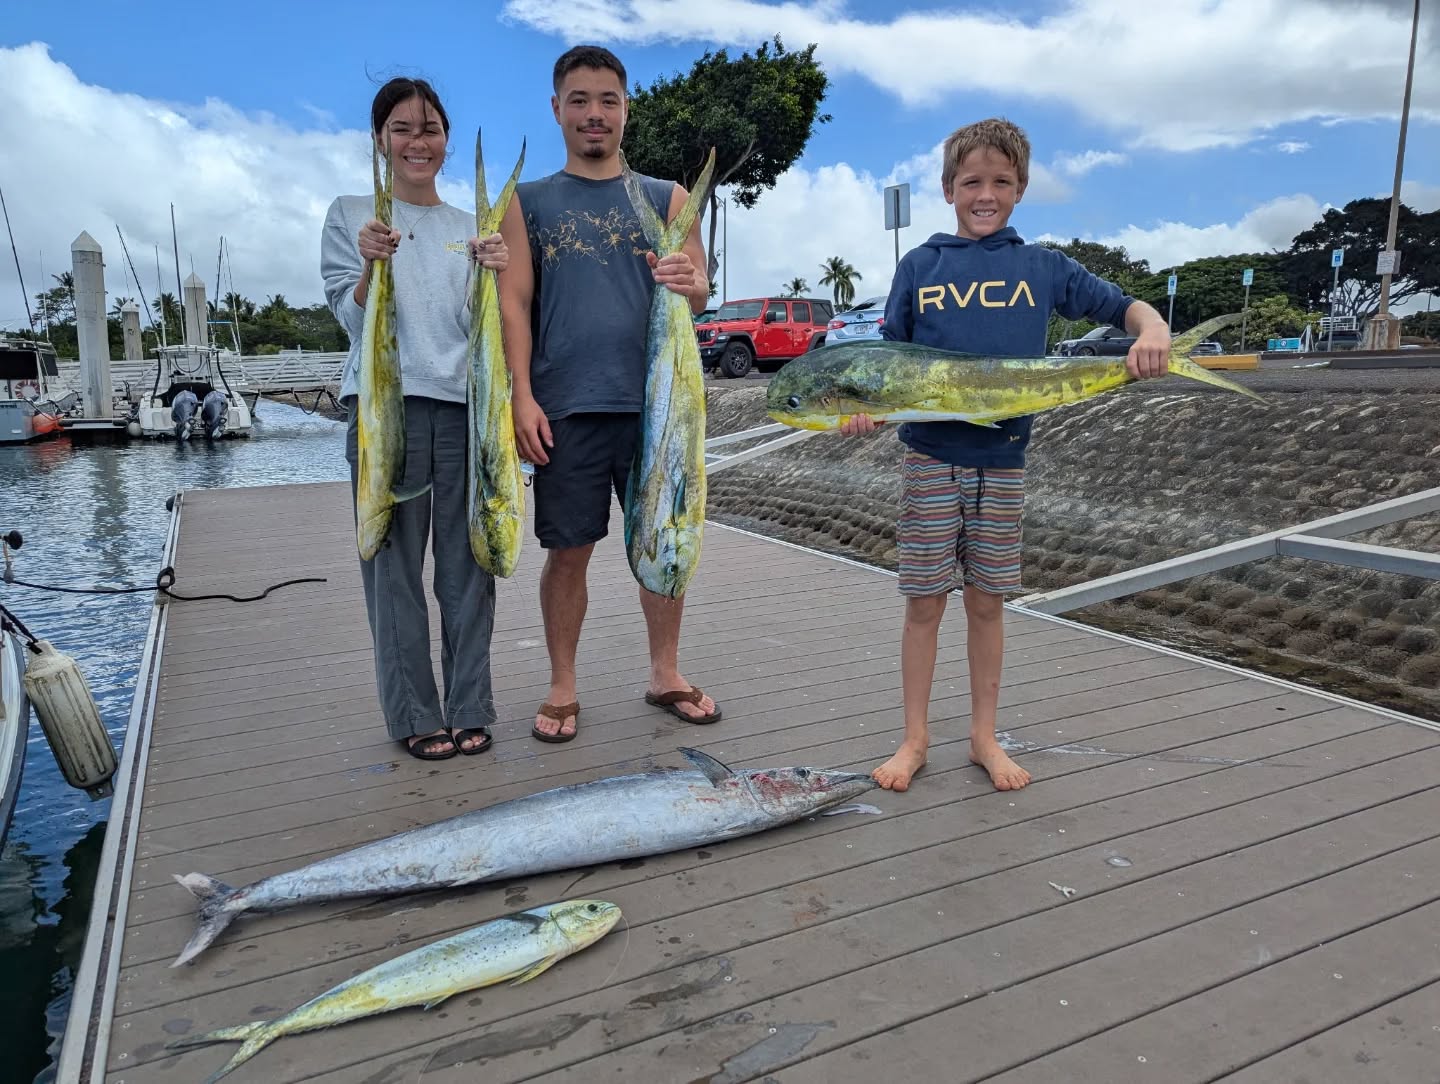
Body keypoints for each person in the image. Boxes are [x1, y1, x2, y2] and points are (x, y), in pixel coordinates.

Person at [841, 118, 1172, 793]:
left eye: (999, 181)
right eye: (971, 182)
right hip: (930, 458)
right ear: (947, 189)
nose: (984, 194)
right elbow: (885, 366)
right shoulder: (921, 266)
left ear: (1020, 188)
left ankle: (984, 736)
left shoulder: (1042, 266)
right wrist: (859, 410)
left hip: (1005, 460)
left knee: (988, 603)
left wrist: (1155, 329)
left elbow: (1124, 307)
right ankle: (914, 738)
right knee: (925, 603)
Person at [497, 45, 721, 744]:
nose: (595, 114)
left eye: (608, 101)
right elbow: (514, 305)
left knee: (666, 539)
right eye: (580, 100)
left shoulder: (669, 198)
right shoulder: (527, 203)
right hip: (566, 408)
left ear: (626, 109)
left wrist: (689, 284)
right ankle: (563, 684)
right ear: (558, 109)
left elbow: (702, 290)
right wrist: (520, 398)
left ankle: (665, 672)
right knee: (569, 550)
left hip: (659, 409)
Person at [321, 77, 510, 761]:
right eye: (401, 128)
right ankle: (413, 714)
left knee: (470, 568)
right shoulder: (350, 215)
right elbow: (351, 316)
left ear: (446, 139)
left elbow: (472, 326)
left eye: (429, 128)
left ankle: (470, 705)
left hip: (462, 412)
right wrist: (372, 263)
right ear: (380, 140)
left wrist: (496, 272)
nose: (416, 141)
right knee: (393, 568)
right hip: (382, 411)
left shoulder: (470, 228)